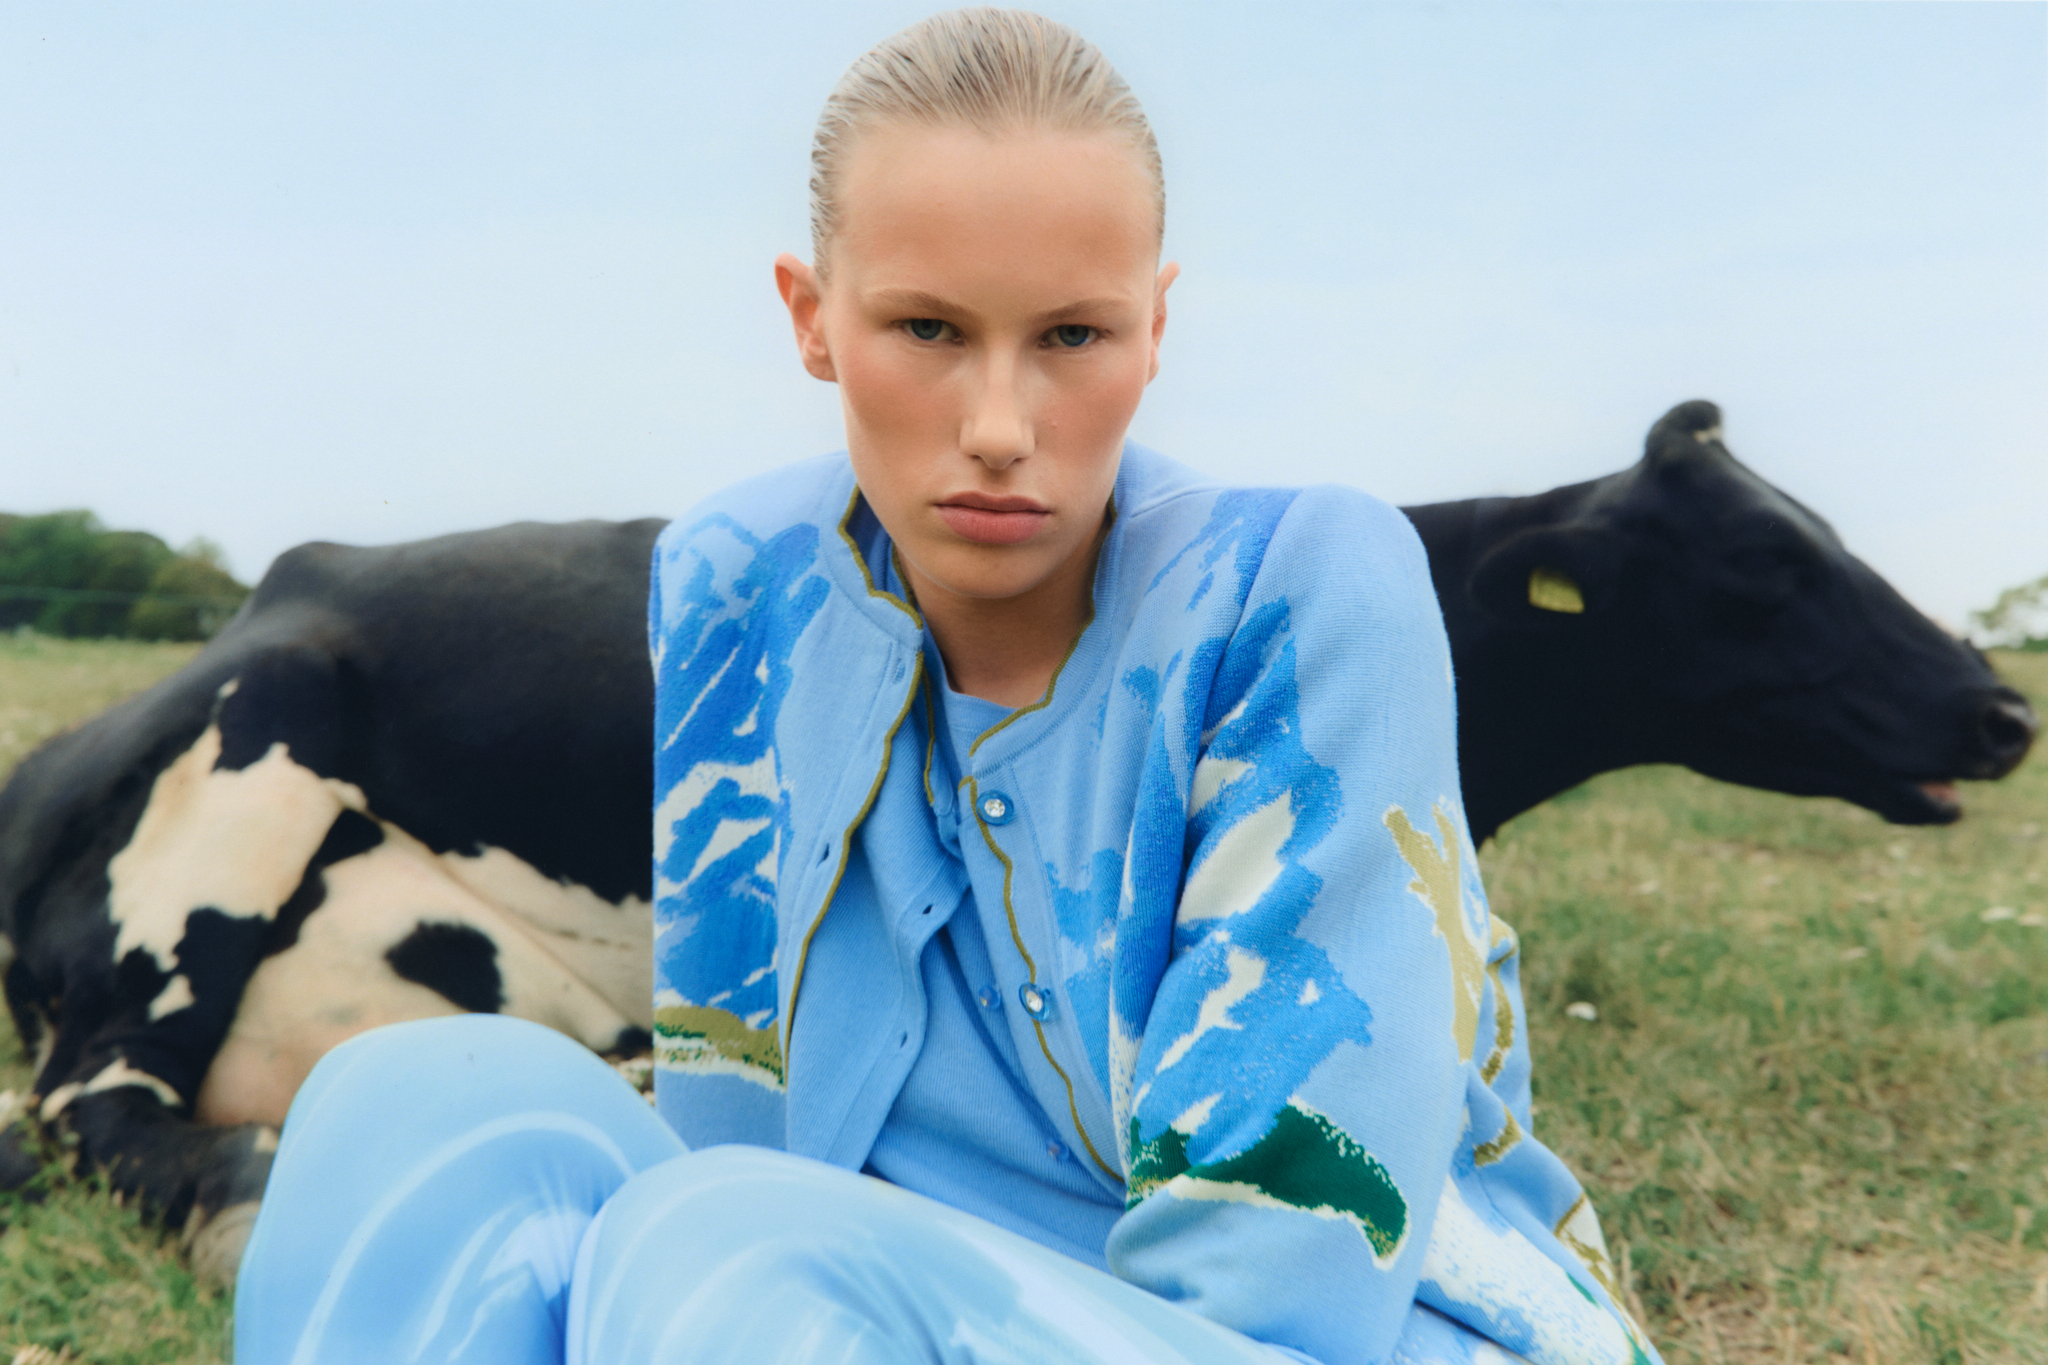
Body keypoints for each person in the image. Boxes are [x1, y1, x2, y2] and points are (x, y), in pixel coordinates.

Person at [233, 10, 1662, 1364]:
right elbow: (740, 1113)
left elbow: (1285, 1277)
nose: (996, 426)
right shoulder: (732, 582)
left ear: (1154, 330)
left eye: (1072, 337)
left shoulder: (1302, 585)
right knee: (408, 1095)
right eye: (925, 330)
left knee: (725, 1243)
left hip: (1296, 1329)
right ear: (812, 318)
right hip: (811, 1290)